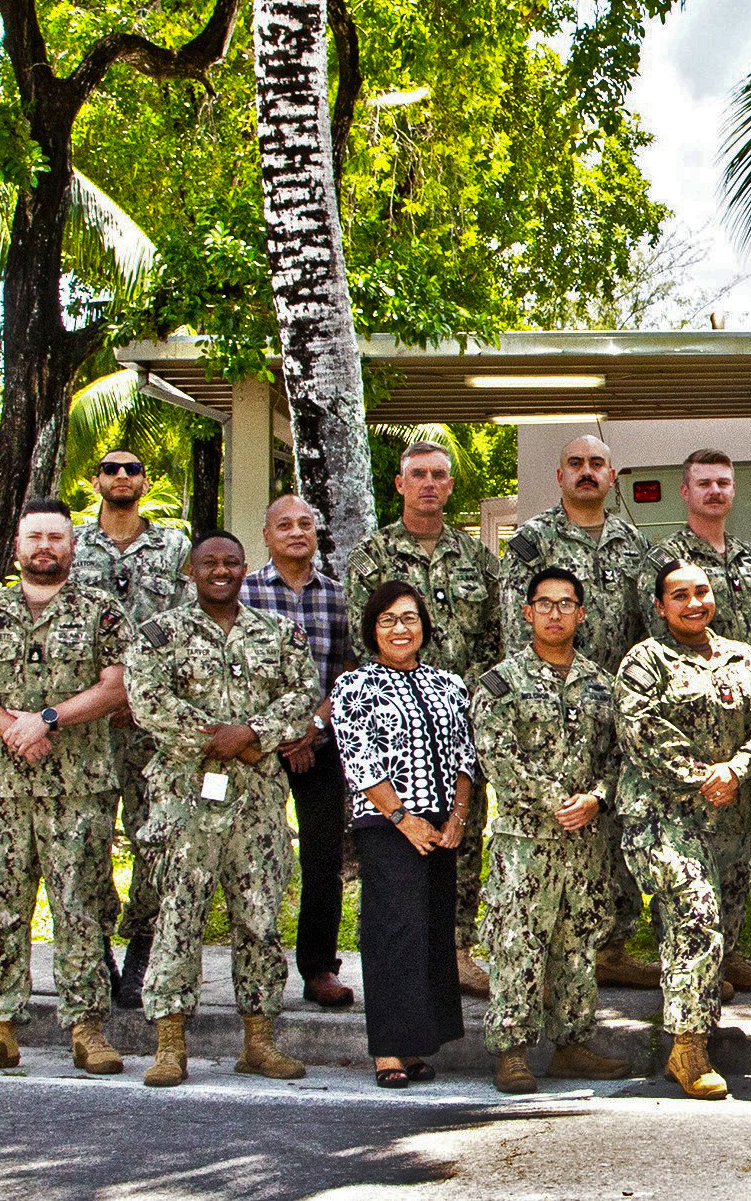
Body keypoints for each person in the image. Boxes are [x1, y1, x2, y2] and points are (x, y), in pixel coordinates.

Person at [0, 499, 131, 1076]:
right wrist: (11, 727)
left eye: (56, 537)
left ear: (72, 547)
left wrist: (47, 719)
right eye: (34, 538)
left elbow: (116, 686)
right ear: (17, 547)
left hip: (78, 788)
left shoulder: (102, 612)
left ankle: (87, 1029)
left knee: (80, 908)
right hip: (1, 790)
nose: (45, 546)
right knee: (0, 910)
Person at [127, 531, 319, 1087]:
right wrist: (219, 738)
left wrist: (252, 732)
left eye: (231, 562)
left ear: (244, 569)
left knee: (259, 917)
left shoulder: (278, 632)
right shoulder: (159, 635)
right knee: (177, 917)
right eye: (209, 562)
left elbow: (302, 694)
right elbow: (149, 702)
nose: (221, 570)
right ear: (191, 569)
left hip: (257, 801)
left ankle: (259, 1040)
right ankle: (169, 1044)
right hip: (185, 797)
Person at [501, 433, 665, 991]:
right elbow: (511, 626)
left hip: (615, 701)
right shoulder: (531, 542)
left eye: (597, 463)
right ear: (560, 476)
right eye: (576, 464)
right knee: (556, 822)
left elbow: (649, 622)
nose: (587, 472)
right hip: (549, 703)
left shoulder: (633, 543)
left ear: (612, 476)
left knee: (613, 818)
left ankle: (611, 945)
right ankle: (556, 949)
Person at [347, 440, 510, 996]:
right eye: (418, 474)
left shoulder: (479, 560)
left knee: (461, 833)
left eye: (439, 475)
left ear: (449, 485)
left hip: (456, 718)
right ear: (399, 484)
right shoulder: (372, 556)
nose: (429, 484)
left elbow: (497, 638)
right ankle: (404, 950)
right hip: (390, 718)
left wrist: (471, 700)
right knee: (395, 843)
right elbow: (359, 633)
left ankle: (457, 947)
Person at [470, 565, 631, 1093]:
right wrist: (557, 802)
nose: (556, 612)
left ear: (581, 614)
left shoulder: (603, 686)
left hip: (586, 841)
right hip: (526, 841)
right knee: (518, 940)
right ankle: (512, 1051)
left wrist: (595, 799)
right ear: (527, 612)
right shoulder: (500, 683)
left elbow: (618, 760)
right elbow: (496, 756)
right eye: (545, 603)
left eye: (566, 604)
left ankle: (572, 1044)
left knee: (579, 941)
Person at [616, 557, 751, 1099]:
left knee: (716, 921)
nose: (694, 602)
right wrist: (706, 776)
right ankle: (687, 1047)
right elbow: (642, 732)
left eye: (702, 592)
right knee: (696, 912)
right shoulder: (643, 662)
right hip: (663, 814)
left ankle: (693, 1012)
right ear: (660, 606)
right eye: (680, 595)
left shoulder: (745, 660)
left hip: (729, 819)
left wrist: (738, 769)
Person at [333, 581, 481, 1087]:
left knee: (431, 932)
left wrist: (457, 817)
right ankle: (389, 1051)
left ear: (425, 626)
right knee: (392, 932)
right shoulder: (355, 686)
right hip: (387, 825)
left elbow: (465, 753)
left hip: (442, 826)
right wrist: (401, 818)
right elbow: (358, 757)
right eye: (388, 620)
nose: (401, 628)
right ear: (372, 630)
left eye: (410, 618)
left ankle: (419, 1044)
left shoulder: (449, 685)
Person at [70, 448, 192, 1012]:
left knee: (156, 839)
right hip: (84, 726)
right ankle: (95, 950)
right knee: (85, 842)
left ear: (145, 483)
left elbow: (186, 626)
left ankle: (142, 949)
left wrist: (145, 698)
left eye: (131, 470)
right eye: (111, 469)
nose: (122, 477)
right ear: (96, 480)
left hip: (151, 727)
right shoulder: (68, 545)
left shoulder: (173, 547)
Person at [239, 494, 358, 1007]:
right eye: (283, 524)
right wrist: (278, 736)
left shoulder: (338, 597)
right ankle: (254, 967)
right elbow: (234, 676)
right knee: (251, 859)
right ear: (266, 536)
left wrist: (309, 729)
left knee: (322, 857)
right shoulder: (240, 594)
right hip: (254, 750)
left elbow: (348, 674)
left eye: (305, 524)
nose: (296, 532)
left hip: (322, 744)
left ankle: (317, 967)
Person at [660, 448, 751, 654]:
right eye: (704, 484)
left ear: (733, 489)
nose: (715, 491)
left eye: (723, 483)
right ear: (685, 491)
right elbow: (662, 636)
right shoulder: (668, 559)